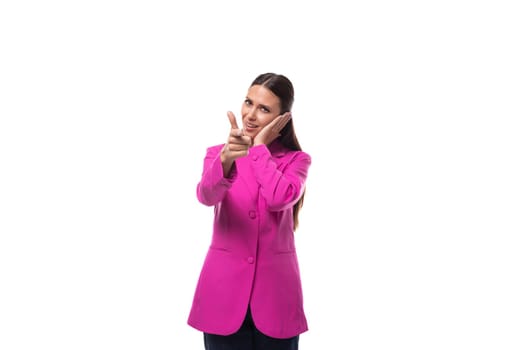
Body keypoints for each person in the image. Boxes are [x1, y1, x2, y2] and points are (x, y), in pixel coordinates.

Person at [187, 72, 311, 350]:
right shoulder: (219, 154)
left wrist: (258, 150)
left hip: (276, 297)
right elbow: (206, 196)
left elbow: (280, 198)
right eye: (248, 102)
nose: (251, 115)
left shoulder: (297, 161)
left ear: (282, 119)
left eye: (264, 109)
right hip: (222, 295)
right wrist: (227, 160)